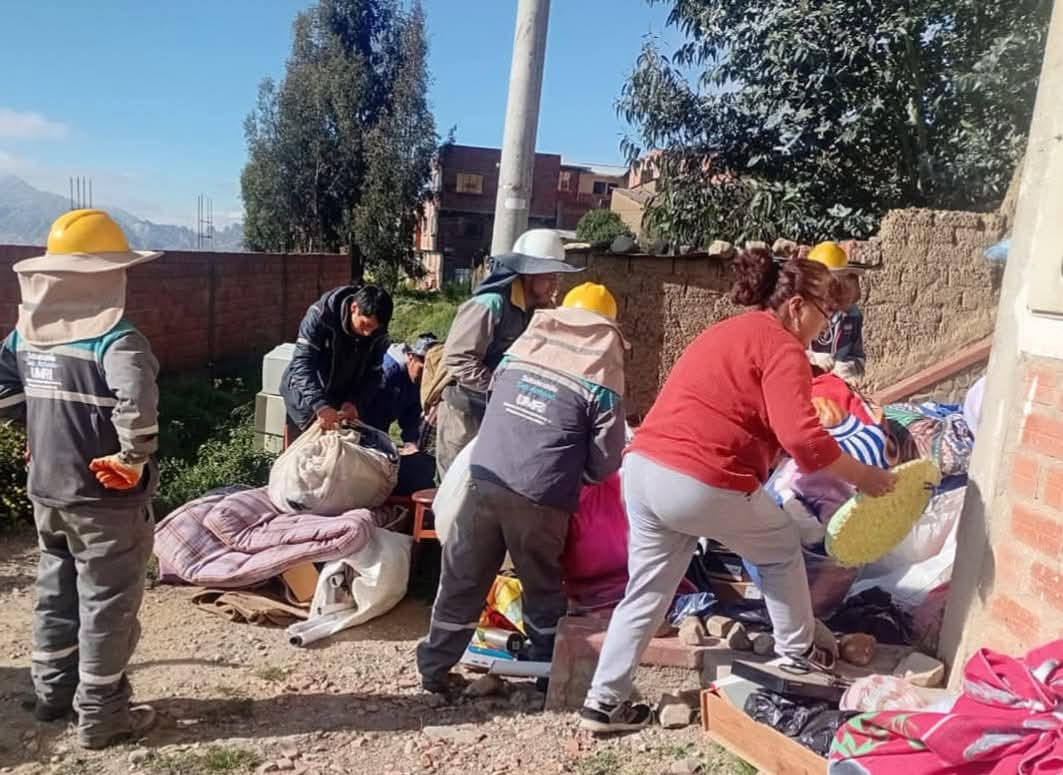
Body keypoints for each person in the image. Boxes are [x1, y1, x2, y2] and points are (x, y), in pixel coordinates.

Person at [578, 250, 896, 733]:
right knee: (780, 547)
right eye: (823, 315)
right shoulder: (783, 347)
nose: (825, 328)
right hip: (699, 477)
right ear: (795, 306)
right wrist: (866, 477)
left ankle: (604, 703)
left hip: (643, 472)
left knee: (645, 594)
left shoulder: (728, 331)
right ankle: (797, 659)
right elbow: (804, 440)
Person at [0, 210, 161, 749]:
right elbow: (136, 408)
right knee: (107, 603)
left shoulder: (26, 337)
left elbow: (5, 392)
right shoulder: (118, 341)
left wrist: (37, 432)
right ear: (105, 274)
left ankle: (52, 693)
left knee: (55, 590)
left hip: (46, 490)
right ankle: (102, 713)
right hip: (104, 499)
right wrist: (133, 459)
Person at [417, 282, 626, 695]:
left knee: (463, 579)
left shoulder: (524, 348)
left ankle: (435, 671)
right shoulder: (603, 369)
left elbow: (497, 400)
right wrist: (573, 474)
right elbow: (607, 459)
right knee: (542, 587)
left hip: (486, 476)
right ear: (605, 325)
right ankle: (543, 676)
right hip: (541, 493)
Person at [435, 229, 582, 475]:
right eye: (550, 276)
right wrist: (499, 387)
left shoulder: (541, 311)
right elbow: (458, 358)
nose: (555, 285)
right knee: (456, 489)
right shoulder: (491, 304)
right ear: (529, 273)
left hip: (499, 416)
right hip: (465, 415)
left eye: (558, 277)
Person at [280, 284, 393, 443]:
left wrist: (355, 402)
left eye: (373, 329)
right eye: (365, 325)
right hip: (305, 399)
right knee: (297, 461)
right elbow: (302, 363)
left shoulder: (377, 335)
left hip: (340, 405)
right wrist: (320, 405)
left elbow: (374, 374)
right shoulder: (321, 316)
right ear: (354, 307)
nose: (368, 333)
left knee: (332, 461)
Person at [361, 333, 439, 494]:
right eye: (423, 368)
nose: (426, 376)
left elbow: (412, 414)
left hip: (380, 429)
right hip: (364, 426)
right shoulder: (387, 373)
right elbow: (369, 411)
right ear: (411, 357)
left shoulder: (418, 382)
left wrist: (411, 442)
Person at [807, 241, 866, 383]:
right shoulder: (803, 310)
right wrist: (811, 357)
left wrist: (850, 367)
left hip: (837, 386)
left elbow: (858, 356)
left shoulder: (852, 315)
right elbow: (784, 351)